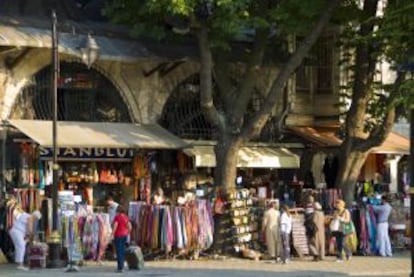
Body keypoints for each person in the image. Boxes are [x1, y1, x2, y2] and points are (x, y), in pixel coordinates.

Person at [111, 205, 132, 273]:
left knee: (119, 252)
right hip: (124, 235)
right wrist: (127, 232)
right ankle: (121, 266)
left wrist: (112, 234)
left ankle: (120, 268)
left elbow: (115, 226)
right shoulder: (126, 217)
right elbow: (130, 226)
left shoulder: (117, 217)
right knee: (122, 251)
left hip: (118, 235)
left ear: (118, 210)